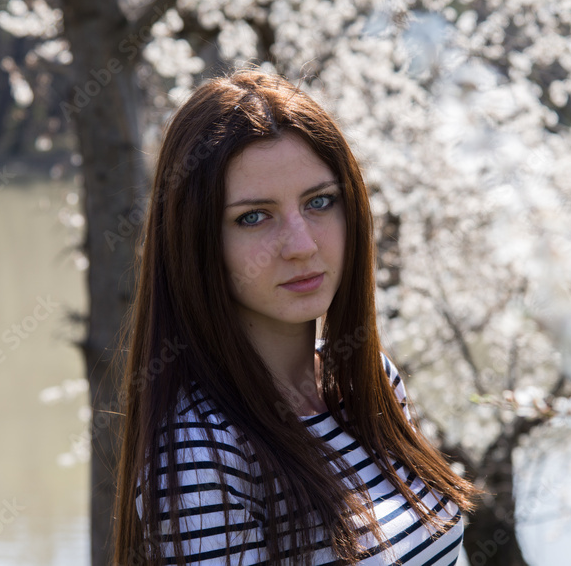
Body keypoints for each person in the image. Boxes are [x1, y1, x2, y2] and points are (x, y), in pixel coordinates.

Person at [113, 70, 476, 566]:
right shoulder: (201, 453)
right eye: (254, 216)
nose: (302, 246)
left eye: (319, 202)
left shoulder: (371, 385)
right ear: (198, 243)